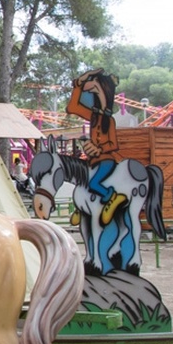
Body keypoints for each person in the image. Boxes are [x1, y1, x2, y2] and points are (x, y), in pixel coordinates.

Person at [66, 68, 124, 226]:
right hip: (92, 160)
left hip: (106, 160)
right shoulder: (93, 116)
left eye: (95, 82)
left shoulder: (109, 121)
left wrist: (99, 149)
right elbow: (72, 107)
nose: (90, 84)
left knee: (93, 183)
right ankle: (82, 206)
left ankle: (111, 197)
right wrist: (79, 82)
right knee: (81, 180)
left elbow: (114, 144)